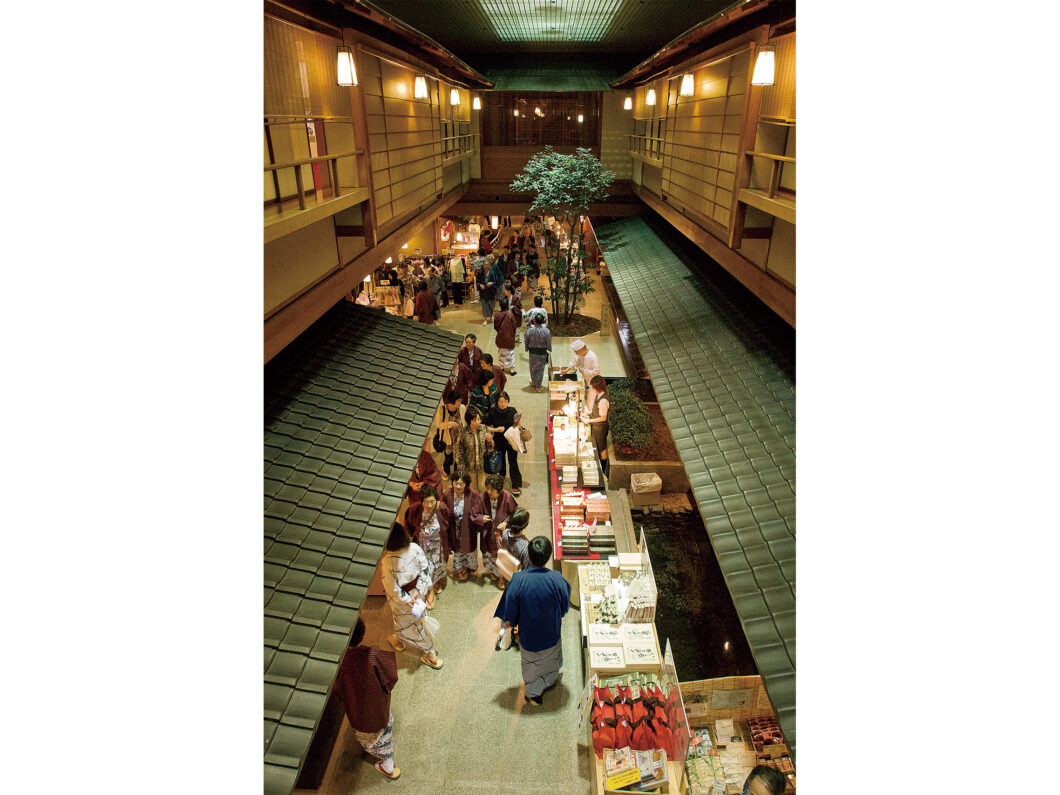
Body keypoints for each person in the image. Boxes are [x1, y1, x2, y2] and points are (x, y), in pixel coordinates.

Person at [493, 535, 570, 705]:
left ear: (529, 555)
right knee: (551, 660)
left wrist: (513, 623)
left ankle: (533, 694)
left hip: (529, 636)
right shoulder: (557, 579)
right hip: (551, 631)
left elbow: (511, 613)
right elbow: (564, 607)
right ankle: (549, 680)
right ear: (549, 556)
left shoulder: (518, 580)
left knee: (531, 666)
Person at [334, 618, 401, 781]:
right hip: (376, 701)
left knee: (369, 735)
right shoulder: (373, 654)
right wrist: (385, 689)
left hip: (355, 705)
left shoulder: (339, 663)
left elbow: (336, 691)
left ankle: (388, 763)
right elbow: (391, 675)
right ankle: (387, 760)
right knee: (382, 726)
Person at [380, 523, 443, 669]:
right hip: (418, 593)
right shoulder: (414, 548)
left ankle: (430, 653)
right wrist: (418, 590)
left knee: (411, 627)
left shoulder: (388, 561)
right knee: (416, 620)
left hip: (403, 602)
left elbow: (392, 589)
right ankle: (400, 639)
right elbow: (425, 569)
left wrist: (407, 599)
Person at [404, 486, 448, 605]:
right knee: (426, 566)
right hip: (423, 543)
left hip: (438, 542)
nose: (429, 505)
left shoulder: (442, 508)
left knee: (438, 563)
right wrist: (411, 534)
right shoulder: (415, 509)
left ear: (437, 500)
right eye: (426, 502)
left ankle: (436, 581)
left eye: (432, 502)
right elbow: (408, 522)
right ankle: (430, 590)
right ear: (421, 501)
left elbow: (448, 523)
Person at [440, 472, 487, 581]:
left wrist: (479, 519)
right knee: (457, 548)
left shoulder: (473, 494)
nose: (458, 487)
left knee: (469, 547)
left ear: (466, 484)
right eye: (456, 483)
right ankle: (461, 567)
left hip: (468, 525)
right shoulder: (447, 493)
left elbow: (476, 511)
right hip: (454, 526)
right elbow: (442, 509)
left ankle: (471, 565)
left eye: (461, 484)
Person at [481, 475, 518, 588]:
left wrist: (506, 522)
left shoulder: (507, 497)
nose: (489, 492)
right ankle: (493, 572)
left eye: (492, 490)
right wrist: (481, 518)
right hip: (488, 531)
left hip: (501, 533)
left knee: (502, 555)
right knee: (489, 553)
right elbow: (475, 512)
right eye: (487, 488)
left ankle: (503, 577)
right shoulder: (483, 496)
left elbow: (515, 513)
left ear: (499, 490)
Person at [487, 391, 522, 496]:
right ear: (497, 401)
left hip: (511, 441)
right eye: (500, 401)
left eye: (505, 401)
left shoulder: (512, 411)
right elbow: (485, 427)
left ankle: (515, 484)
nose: (503, 404)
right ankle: (501, 476)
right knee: (500, 460)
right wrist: (496, 430)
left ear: (508, 401)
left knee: (513, 461)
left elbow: (518, 424)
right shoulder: (492, 412)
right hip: (498, 440)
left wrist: (517, 427)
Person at [454, 406, 494, 494]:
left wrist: (490, 441)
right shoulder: (463, 432)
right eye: (474, 420)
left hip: (483, 466)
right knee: (472, 492)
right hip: (469, 468)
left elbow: (490, 449)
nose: (477, 422)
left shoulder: (484, 429)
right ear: (468, 421)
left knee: (484, 490)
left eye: (479, 419)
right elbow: (459, 451)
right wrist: (461, 470)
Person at [582, 375, 610, 478]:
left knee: (602, 449)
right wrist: (588, 412)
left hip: (601, 428)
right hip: (596, 426)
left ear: (597, 387)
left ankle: (603, 471)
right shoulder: (599, 395)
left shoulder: (603, 400)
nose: (592, 389)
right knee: (597, 447)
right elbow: (595, 410)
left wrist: (589, 420)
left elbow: (603, 417)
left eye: (593, 387)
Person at [434, 390, 464, 478]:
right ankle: (446, 470)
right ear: (451, 402)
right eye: (458, 401)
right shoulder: (442, 409)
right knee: (448, 458)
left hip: (459, 438)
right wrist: (450, 424)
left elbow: (465, 420)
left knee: (458, 459)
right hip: (447, 439)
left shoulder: (461, 408)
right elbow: (439, 424)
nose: (460, 403)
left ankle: (456, 474)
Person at [524, 314, 552, 391]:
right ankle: (538, 387)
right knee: (540, 369)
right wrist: (549, 349)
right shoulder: (546, 331)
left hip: (532, 353)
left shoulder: (530, 330)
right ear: (543, 321)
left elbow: (526, 340)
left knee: (532, 368)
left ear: (534, 321)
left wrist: (526, 348)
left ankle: (534, 382)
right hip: (542, 353)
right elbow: (549, 341)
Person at [493, 298, 519, 376]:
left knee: (501, 353)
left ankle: (501, 367)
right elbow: (514, 326)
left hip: (500, 337)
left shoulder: (497, 314)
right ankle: (512, 370)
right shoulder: (510, 315)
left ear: (500, 305)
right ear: (507, 305)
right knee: (510, 354)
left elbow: (495, 326)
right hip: (509, 338)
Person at [501, 507, 532, 572]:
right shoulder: (525, 546)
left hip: (507, 566)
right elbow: (526, 568)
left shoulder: (505, 532)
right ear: (525, 525)